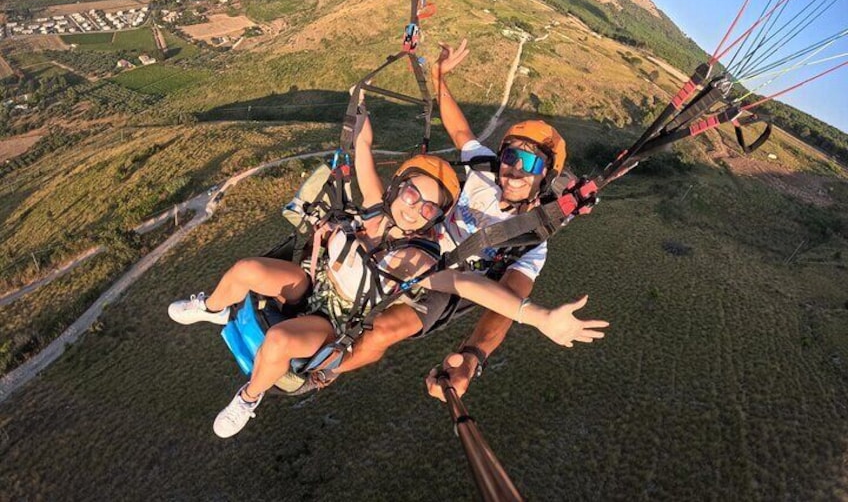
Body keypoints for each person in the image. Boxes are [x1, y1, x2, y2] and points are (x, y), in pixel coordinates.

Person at [168, 106, 606, 438]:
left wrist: (538, 317)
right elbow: (368, 163)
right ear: (400, 189)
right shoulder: (386, 211)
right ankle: (212, 307)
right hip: (314, 283)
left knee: (290, 340)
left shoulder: (423, 258)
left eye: (429, 206)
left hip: (334, 318)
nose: (416, 207)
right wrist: (361, 120)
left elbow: (470, 285)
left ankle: (250, 397)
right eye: (412, 194)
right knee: (245, 270)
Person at [292, 39, 608, 395]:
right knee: (345, 220)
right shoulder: (484, 171)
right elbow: (459, 130)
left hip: (448, 280)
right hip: (415, 235)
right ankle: (296, 297)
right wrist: (439, 78)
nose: (515, 171)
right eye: (510, 158)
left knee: (386, 329)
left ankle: (322, 372)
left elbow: (503, 307)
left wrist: (472, 357)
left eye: (531, 163)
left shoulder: (530, 241)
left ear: (546, 176)